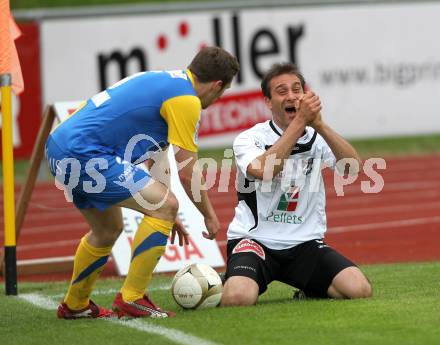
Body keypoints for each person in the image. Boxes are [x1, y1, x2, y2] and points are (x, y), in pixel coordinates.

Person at [45, 46, 239, 319]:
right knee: (163, 206)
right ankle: (132, 298)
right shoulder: (187, 101)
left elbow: (157, 155)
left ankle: (75, 305)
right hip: (85, 154)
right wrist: (208, 215)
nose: (219, 98)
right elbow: (187, 170)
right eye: (223, 92)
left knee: (108, 229)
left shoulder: (166, 81)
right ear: (218, 85)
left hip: (60, 147)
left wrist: (164, 211)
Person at [220, 62, 372, 306]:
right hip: (255, 241)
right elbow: (265, 170)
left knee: (358, 289)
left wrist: (320, 125)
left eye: (296, 89)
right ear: (268, 102)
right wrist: (300, 122)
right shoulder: (250, 138)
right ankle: (228, 279)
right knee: (238, 298)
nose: (291, 96)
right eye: (281, 91)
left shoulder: (317, 136)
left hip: (304, 243)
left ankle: (308, 288)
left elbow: (352, 169)